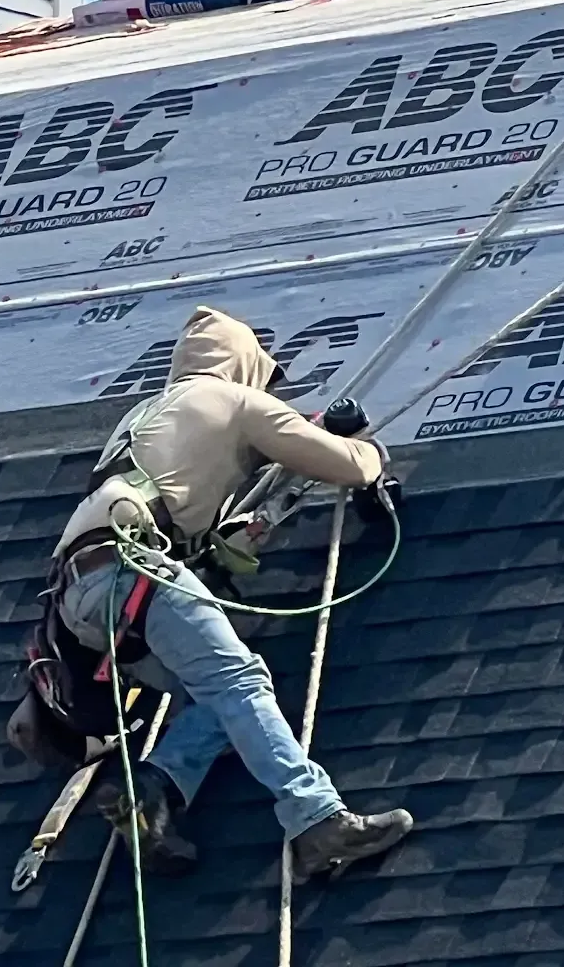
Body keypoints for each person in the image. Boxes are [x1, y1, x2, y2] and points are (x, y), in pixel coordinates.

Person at [46, 304, 413, 878]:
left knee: (221, 692)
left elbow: (177, 502)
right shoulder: (233, 400)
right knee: (239, 682)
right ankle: (317, 822)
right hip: (133, 569)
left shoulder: (143, 414)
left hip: (82, 598)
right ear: (242, 364)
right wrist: (360, 440)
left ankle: (151, 792)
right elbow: (350, 466)